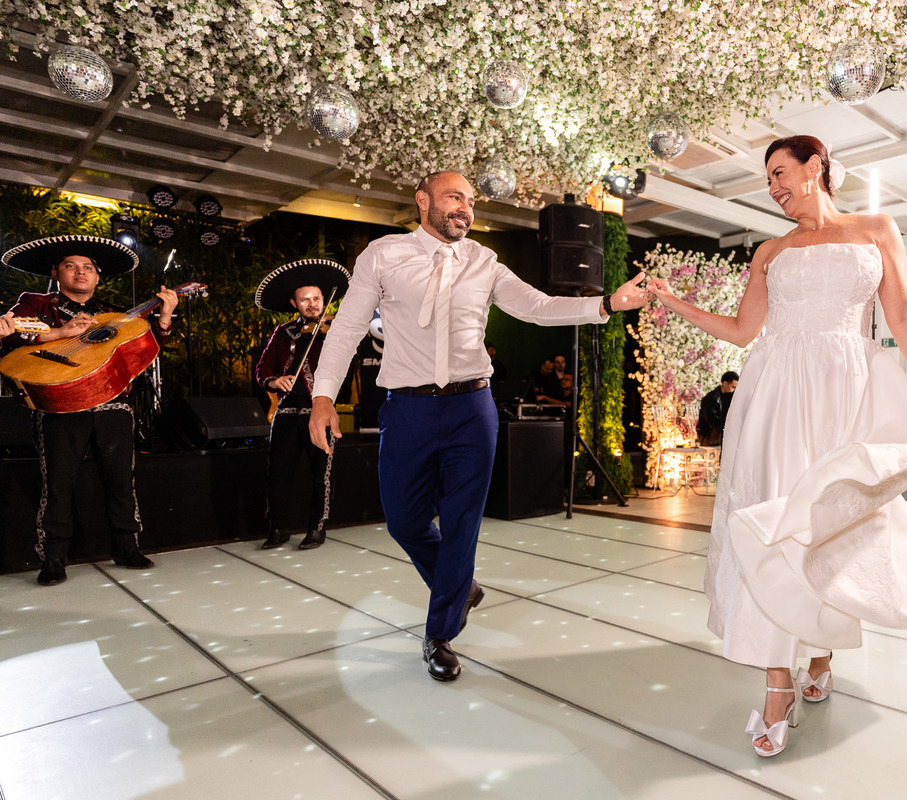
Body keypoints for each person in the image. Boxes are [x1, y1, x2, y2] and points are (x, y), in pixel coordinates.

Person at [646, 135, 907, 757]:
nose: (773, 187)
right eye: (768, 180)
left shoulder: (876, 228)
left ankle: (818, 645)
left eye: (779, 173)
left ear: (815, 167)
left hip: (844, 391)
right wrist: (670, 299)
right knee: (774, 519)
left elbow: (900, 315)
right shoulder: (771, 250)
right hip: (773, 394)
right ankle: (776, 684)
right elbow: (742, 331)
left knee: (827, 521)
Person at [307, 171, 648, 681]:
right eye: (454, 197)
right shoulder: (384, 254)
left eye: (470, 200)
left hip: (473, 407)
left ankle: (439, 633)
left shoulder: (484, 262)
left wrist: (604, 305)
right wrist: (323, 396)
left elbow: (536, 307)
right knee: (403, 520)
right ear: (423, 201)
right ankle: (459, 586)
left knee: (463, 521)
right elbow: (349, 326)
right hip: (408, 408)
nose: (465, 208)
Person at [1, 236, 177, 586]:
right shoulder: (35, 302)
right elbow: (9, 334)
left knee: (120, 481)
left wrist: (166, 316)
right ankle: (54, 557)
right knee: (58, 483)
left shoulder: (113, 312)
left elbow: (145, 350)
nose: (80, 271)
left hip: (112, 403)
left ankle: (126, 547)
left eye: (88, 267)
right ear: (56, 272)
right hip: (60, 402)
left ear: (97, 276)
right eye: (70, 265)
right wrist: (58, 333)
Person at [254, 259, 351, 551]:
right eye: (305, 300)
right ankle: (278, 528)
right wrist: (273, 381)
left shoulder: (335, 330)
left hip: (319, 411)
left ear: (325, 301)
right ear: (294, 303)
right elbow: (262, 369)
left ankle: (316, 528)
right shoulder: (282, 332)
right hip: (286, 411)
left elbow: (345, 367)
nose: (312, 305)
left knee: (321, 473)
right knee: (278, 473)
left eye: (317, 299)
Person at [696, 371, 738, 446]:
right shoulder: (710, 399)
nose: (734, 391)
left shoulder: (730, 398)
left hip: (720, 433)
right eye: (733, 387)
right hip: (708, 435)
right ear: (725, 384)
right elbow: (713, 422)